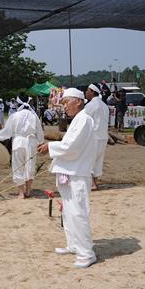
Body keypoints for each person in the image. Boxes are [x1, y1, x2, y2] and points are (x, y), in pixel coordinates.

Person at [37, 88, 97, 269]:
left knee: (78, 212)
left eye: (66, 102)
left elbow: (72, 147)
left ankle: (87, 253)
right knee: (68, 211)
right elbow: (68, 144)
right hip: (68, 171)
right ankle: (74, 244)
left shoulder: (85, 120)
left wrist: (50, 147)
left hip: (77, 173)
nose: (64, 107)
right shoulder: (77, 120)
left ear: (78, 101)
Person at [0, 94, 44, 199]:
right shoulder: (34, 116)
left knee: (18, 166)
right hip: (31, 143)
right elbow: (39, 132)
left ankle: (21, 193)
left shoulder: (15, 116)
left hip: (18, 142)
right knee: (30, 166)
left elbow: (7, 132)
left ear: (18, 104)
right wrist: (40, 143)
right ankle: (28, 191)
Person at [83, 83, 110, 190]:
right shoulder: (104, 105)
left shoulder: (90, 106)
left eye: (87, 91)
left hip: (93, 136)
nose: (86, 93)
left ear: (92, 92)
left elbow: (85, 121)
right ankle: (95, 182)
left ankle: (92, 183)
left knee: (89, 159)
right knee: (98, 160)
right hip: (103, 136)